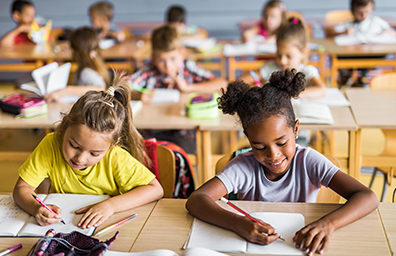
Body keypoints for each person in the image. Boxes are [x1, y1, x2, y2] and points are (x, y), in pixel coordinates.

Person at [186, 69, 379, 256]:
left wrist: (327, 224)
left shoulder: (308, 161)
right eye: (259, 147)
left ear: (296, 130)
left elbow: (367, 196)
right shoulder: (244, 166)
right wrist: (239, 223)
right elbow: (196, 200)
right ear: (248, 139)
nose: (273, 155)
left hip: (299, 247)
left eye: (282, 143)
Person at [13, 73, 164, 229]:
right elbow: (21, 189)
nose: (80, 158)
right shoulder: (51, 144)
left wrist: (110, 206)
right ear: (64, 126)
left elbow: (155, 190)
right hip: (61, 228)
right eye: (74, 146)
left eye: (94, 154)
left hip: (106, 227)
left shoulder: (115, 157)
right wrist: (36, 207)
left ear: (112, 145)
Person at [129, 24, 226, 103]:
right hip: (153, 124)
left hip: (185, 124)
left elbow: (222, 84)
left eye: (173, 59)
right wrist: (136, 95)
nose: (168, 66)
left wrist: (188, 88)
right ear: (153, 58)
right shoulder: (148, 71)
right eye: (162, 60)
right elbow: (121, 88)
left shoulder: (187, 67)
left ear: (182, 55)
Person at [243, 17, 326, 99]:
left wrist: (288, 95)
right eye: (279, 55)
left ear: (303, 53)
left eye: (288, 56)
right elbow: (242, 82)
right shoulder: (270, 68)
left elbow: (321, 90)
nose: (282, 61)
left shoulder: (307, 72)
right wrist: (258, 89)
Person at [329, 0, 395, 87]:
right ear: (353, 11)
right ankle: (349, 77)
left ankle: (362, 78)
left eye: (366, 12)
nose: (363, 15)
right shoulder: (348, 24)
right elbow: (331, 34)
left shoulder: (376, 22)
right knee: (339, 56)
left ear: (372, 8)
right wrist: (344, 33)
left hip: (373, 54)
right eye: (359, 12)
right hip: (351, 55)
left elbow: (392, 32)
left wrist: (386, 33)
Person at [45, 27, 110, 102]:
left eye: (72, 48)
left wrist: (66, 90)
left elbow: (101, 89)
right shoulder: (95, 64)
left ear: (77, 52)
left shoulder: (86, 72)